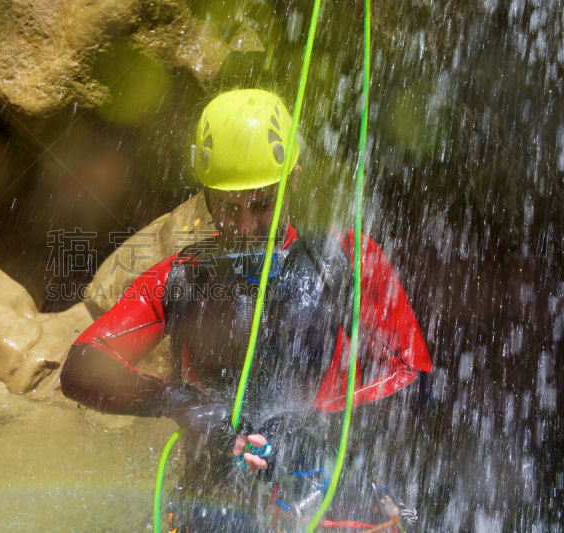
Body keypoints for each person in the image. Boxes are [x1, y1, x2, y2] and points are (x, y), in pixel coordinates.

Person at [60, 89, 432, 531]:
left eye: (262, 205)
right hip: (216, 506)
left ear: (292, 180)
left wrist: (309, 428)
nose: (246, 226)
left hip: (331, 489)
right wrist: (184, 405)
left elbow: (413, 380)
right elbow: (82, 365)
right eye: (229, 208)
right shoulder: (179, 278)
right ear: (205, 195)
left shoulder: (348, 260)